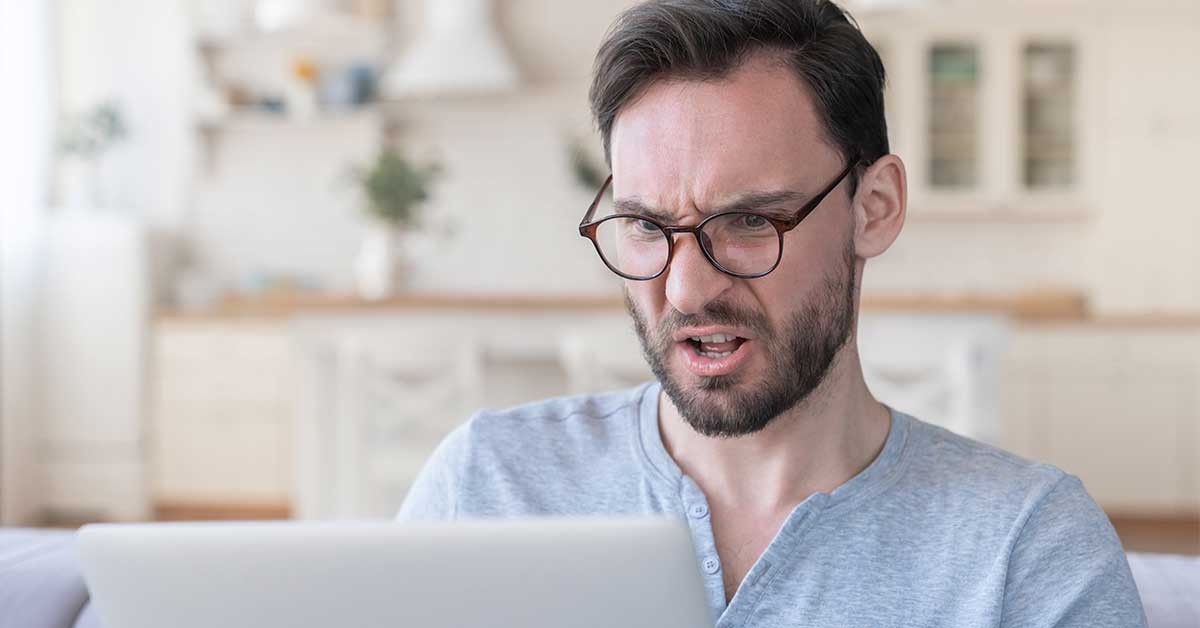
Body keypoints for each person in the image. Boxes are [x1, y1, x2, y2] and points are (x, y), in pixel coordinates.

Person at [397, 1, 1148, 625]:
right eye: (647, 228)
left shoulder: (1023, 549)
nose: (687, 291)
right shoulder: (488, 488)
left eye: (751, 222)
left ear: (875, 209)